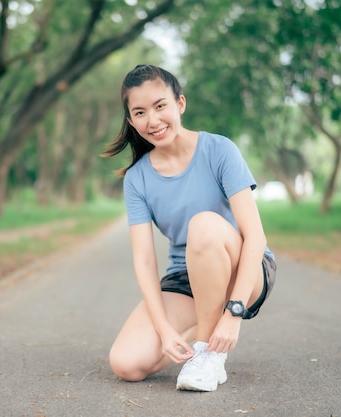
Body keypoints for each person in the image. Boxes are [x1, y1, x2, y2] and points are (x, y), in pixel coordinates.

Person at [102, 64, 276, 392]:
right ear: (131, 121)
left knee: (204, 225)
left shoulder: (219, 150)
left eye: (160, 106)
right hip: (186, 277)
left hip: (244, 270)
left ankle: (208, 354)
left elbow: (255, 236)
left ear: (180, 104)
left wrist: (234, 313)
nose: (152, 120)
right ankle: (203, 337)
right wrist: (164, 329)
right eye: (140, 112)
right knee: (125, 363)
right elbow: (144, 261)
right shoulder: (137, 178)